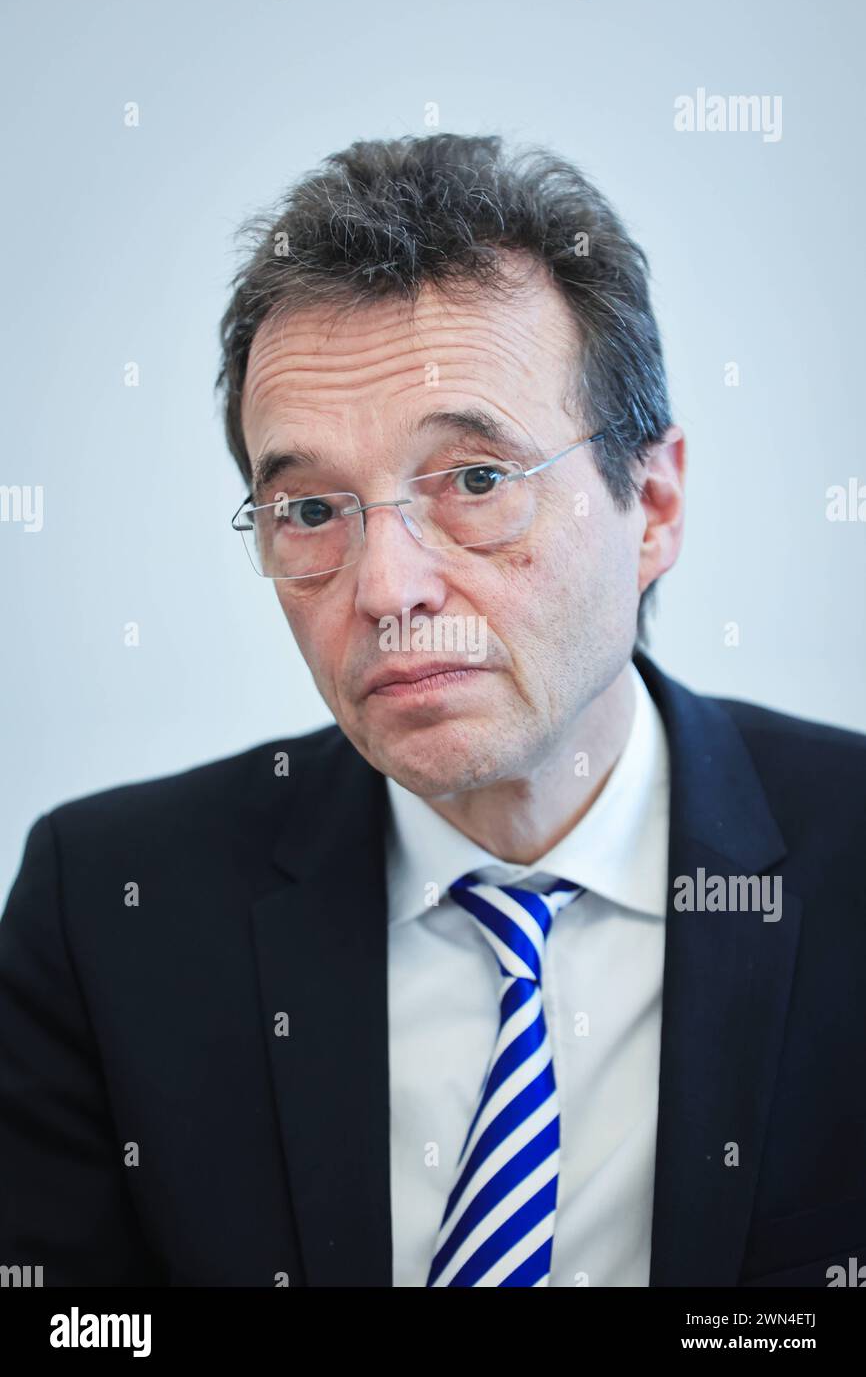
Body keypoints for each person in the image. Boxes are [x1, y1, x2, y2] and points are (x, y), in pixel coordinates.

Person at [1, 134, 864, 1289]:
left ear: (649, 505)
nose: (383, 587)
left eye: (472, 481)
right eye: (309, 506)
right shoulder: (106, 903)